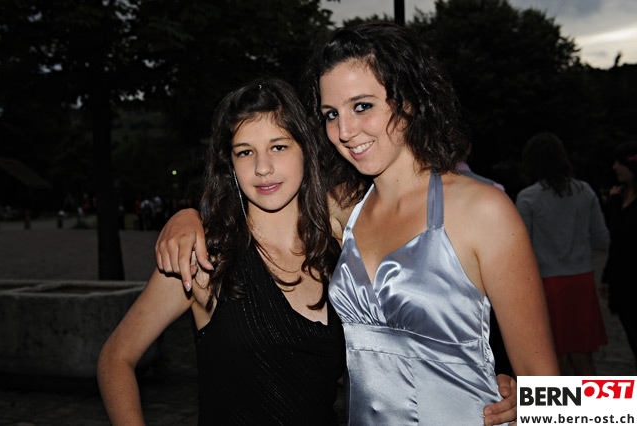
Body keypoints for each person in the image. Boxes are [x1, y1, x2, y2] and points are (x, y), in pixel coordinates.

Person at [156, 23, 558, 425]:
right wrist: (188, 218)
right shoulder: (340, 211)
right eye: (331, 114)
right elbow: (254, 206)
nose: (345, 131)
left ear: (409, 100)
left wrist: (534, 402)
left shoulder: (484, 212)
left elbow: (555, 393)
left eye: (362, 106)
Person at [98, 78, 347, 425]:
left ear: (305, 148)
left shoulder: (337, 244)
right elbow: (115, 358)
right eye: (245, 152)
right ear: (230, 163)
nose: (262, 167)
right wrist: (188, 216)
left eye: (278, 147)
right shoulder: (204, 258)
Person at [516, 132, 609, 375]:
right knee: (583, 355)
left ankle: (558, 402)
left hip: (546, 283)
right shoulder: (584, 191)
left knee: (552, 358)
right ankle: (593, 401)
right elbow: (601, 238)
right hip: (582, 280)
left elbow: (521, 248)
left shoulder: (528, 197)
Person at [601, 140, 637, 370]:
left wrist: (613, 203)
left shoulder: (620, 198)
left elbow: (622, 231)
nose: (615, 167)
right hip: (624, 282)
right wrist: (607, 276)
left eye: (620, 162)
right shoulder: (622, 195)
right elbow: (616, 243)